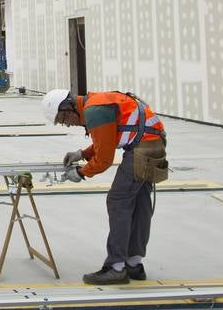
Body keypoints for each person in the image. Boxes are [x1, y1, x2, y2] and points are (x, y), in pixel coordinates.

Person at [43, 87, 167, 285]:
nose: (67, 125)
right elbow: (107, 140)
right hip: (154, 144)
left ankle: (116, 267)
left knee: (118, 201)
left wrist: (81, 172)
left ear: (68, 108)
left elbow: (104, 159)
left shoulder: (95, 111)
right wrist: (82, 154)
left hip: (141, 150)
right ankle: (134, 264)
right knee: (140, 203)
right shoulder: (96, 104)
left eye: (63, 119)